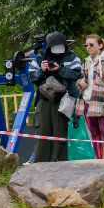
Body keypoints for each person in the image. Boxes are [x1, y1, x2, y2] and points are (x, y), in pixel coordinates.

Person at [30, 32, 82, 164]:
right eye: (54, 47)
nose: (57, 50)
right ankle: (40, 165)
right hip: (44, 100)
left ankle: (60, 165)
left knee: (60, 134)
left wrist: (60, 70)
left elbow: (77, 74)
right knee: (42, 133)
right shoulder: (40, 57)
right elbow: (32, 78)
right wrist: (42, 70)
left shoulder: (72, 56)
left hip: (64, 101)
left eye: (60, 46)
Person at [80, 34, 104, 160]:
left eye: (91, 44)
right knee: (94, 133)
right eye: (86, 45)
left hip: (102, 102)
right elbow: (83, 78)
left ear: (100, 45)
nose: (88, 47)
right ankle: (98, 160)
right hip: (87, 101)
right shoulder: (86, 60)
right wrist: (80, 83)